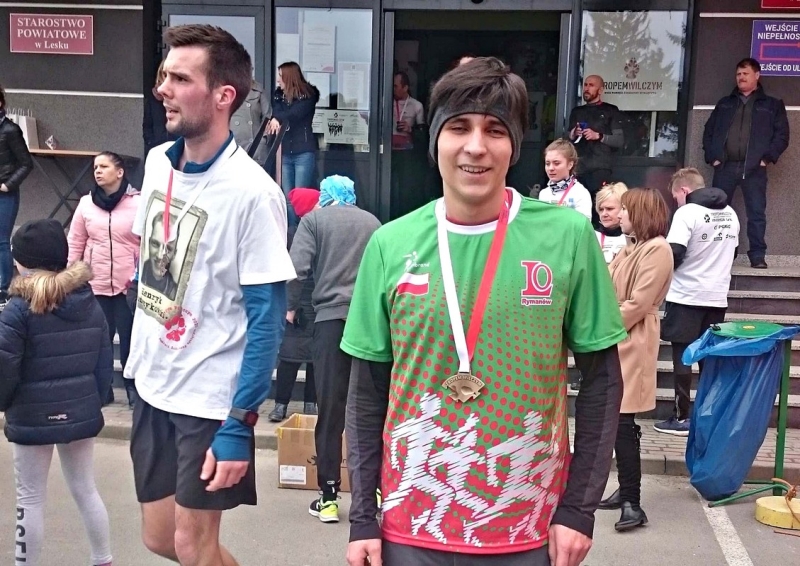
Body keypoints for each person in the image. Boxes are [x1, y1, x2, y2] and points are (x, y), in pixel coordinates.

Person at [341, 57, 627, 566]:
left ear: (514, 146)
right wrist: (363, 517)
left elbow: (603, 380)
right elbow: (366, 392)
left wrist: (579, 510)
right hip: (410, 528)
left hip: (528, 529)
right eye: (459, 127)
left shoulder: (567, 237)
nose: (476, 146)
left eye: (495, 130)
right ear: (436, 140)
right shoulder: (390, 244)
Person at [126, 24, 296, 566]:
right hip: (152, 382)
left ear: (224, 95)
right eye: (164, 76)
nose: (163, 89)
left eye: (180, 79)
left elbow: (267, 318)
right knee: (158, 538)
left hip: (208, 399)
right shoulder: (157, 162)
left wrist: (241, 419)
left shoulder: (254, 193)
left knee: (192, 547)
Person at [0, 219, 114, 566]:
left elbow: (5, 367)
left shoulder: (18, 308)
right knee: (85, 489)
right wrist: (92, 401)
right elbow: (103, 362)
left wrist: (5, 404)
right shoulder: (88, 301)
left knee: (30, 499)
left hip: (30, 413)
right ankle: (103, 559)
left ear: (24, 262)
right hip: (81, 409)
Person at [288, 174, 381, 523]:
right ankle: (374, 490)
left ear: (325, 195)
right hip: (369, 324)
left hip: (330, 322)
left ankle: (328, 497)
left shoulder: (314, 221)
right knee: (371, 409)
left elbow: (296, 270)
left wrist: (290, 307)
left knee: (330, 411)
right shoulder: (372, 223)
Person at [598, 188, 673, 532]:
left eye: (626, 210)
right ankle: (626, 492)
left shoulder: (657, 249)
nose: (620, 215)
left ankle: (633, 501)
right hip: (620, 335)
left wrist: (601, 327)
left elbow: (639, 304)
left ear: (641, 214)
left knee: (624, 421)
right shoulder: (631, 247)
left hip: (633, 337)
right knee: (618, 421)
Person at [654, 167, 739, 436]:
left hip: (686, 295)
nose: (676, 202)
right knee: (708, 358)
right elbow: (734, 252)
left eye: (675, 197)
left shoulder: (687, 213)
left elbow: (675, 253)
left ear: (684, 190)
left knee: (683, 356)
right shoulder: (731, 213)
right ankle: (708, 416)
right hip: (716, 297)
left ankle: (682, 417)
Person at [68, 151, 140, 408]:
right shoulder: (86, 204)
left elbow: (148, 243)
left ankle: (133, 389)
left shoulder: (138, 202)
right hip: (95, 284)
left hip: (128, 286)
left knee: (131, 340)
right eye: (95, 167)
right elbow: (76, 241)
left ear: (119, 172)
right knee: (100, 340)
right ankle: (102, 388)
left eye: (104, 166)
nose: (97, 171)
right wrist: (70, 278)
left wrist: (142, 277)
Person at [702, 57, 789, 269]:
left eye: (745, 73)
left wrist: (766, 158)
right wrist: (713, 157)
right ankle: (722, 255)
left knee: (756, 213)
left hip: (754, 169)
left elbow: (782, 136)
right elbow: (708, 131)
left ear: (757, 75)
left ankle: (757, 256)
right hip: (725, 166)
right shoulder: (725, 103)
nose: (741, 77)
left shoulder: (772, 105)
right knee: (718, 213)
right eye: (738, 74)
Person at [269, 188, 321, 423]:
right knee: (289, 358)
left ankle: (310, 403)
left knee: (315, 360)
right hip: (297, 303)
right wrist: (289, 306)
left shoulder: (316, 229)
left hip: (313, 301)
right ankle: (281, 404)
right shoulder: (292, 234)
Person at [268, 61, 320, 223]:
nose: (278, 80)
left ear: (289, 78)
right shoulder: (278, 95)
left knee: (301, 196)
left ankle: (302, 230)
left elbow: (294, 114)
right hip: (284, 152)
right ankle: (291, 230)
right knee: (287, 197)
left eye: (281, 76)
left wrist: (277, 118)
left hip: (303, 151)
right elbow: (276, 110)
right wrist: (276, 116)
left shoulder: (308, 96)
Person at [568, 75, 623, 225]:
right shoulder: (577, 111)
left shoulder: (611, 110)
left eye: (591, 85)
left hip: (600, 168)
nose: (586, 88)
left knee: (600, 208)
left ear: (600, 90)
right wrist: (574, 132)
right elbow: (567, 139)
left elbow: (619, 140)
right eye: (585, 85)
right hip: (579, 168)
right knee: (578, 210)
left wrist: (598, 136)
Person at [0, 84, 33, 309]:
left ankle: (4, 290)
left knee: (1, 241)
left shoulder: (10, 130)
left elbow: (26, 163)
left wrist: (7, 185)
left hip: (5, 195)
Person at [391, 71, 427, 218]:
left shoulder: (416, 106)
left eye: (396, 86)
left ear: (405, 87)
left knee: (405, 188)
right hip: (388, 150)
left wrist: (410, 129)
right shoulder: (386, 102)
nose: (393, 89)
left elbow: (423, 133)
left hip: (407, 153)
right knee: (389, 186)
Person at [538, 138, 593, 220]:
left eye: (556, 163)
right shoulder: (544, 194)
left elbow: (583, 225)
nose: (551, 168)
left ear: (570, 164)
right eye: (547, 163)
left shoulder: (581, 193)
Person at [230, 79, 271, 164]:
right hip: (233, 144)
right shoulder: (226, 89)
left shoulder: (258, 90)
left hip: (255, 144)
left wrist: (263, 138)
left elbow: (267, 116)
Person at [143, 62, 177, 155]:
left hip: (178, 148)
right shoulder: (153, 98)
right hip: (157, 148)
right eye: (165, 74)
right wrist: (151, 142)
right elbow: (147, 125)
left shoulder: (181, 96)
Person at [595, 182, 629, 264]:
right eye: (601, 209)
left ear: (624, 208)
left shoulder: (634, 238)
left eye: (609, 209)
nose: (604, 214)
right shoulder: (592, 236)